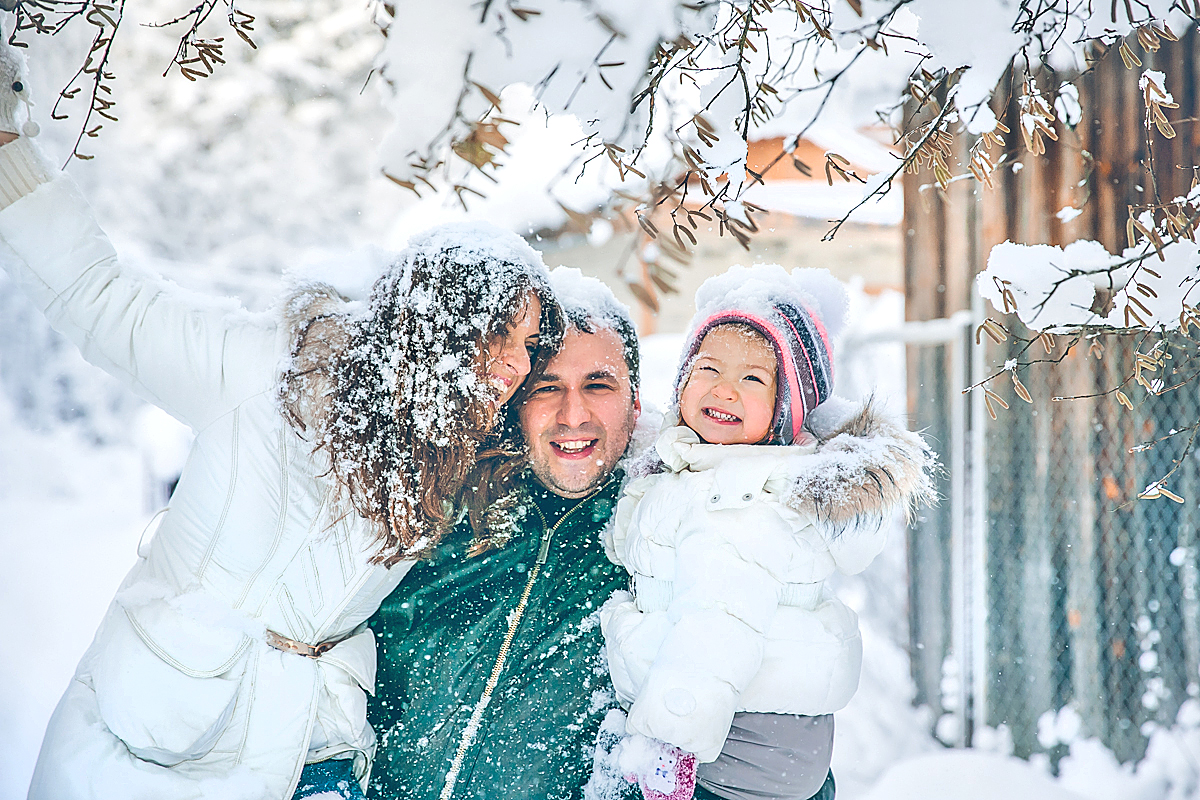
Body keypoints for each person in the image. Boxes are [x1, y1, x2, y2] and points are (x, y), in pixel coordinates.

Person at [0, 50, 563, 800]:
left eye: (528, 348)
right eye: (503, 336)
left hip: (312, 754)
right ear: (439, 324)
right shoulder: (270, 373)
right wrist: (9, 151)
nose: (517, 366)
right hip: (156, 741)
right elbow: (103, 299)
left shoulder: (457, 454)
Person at [323, 268, 932, 800]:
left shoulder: (661, 530)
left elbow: (765, 731)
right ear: (514, 400)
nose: (573, 415)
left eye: (598, 384)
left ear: (637, 401)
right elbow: (325, 643)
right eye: (547, 388)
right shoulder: (438, 511)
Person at [600, 265, 920, 800]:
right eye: (708, 369)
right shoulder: (706, 471)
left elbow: (716, 625)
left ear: (788, 407)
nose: (725, 389)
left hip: (724, 749)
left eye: (753, 378)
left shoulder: (740, 497)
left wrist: (665, 752)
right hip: (764, 745)